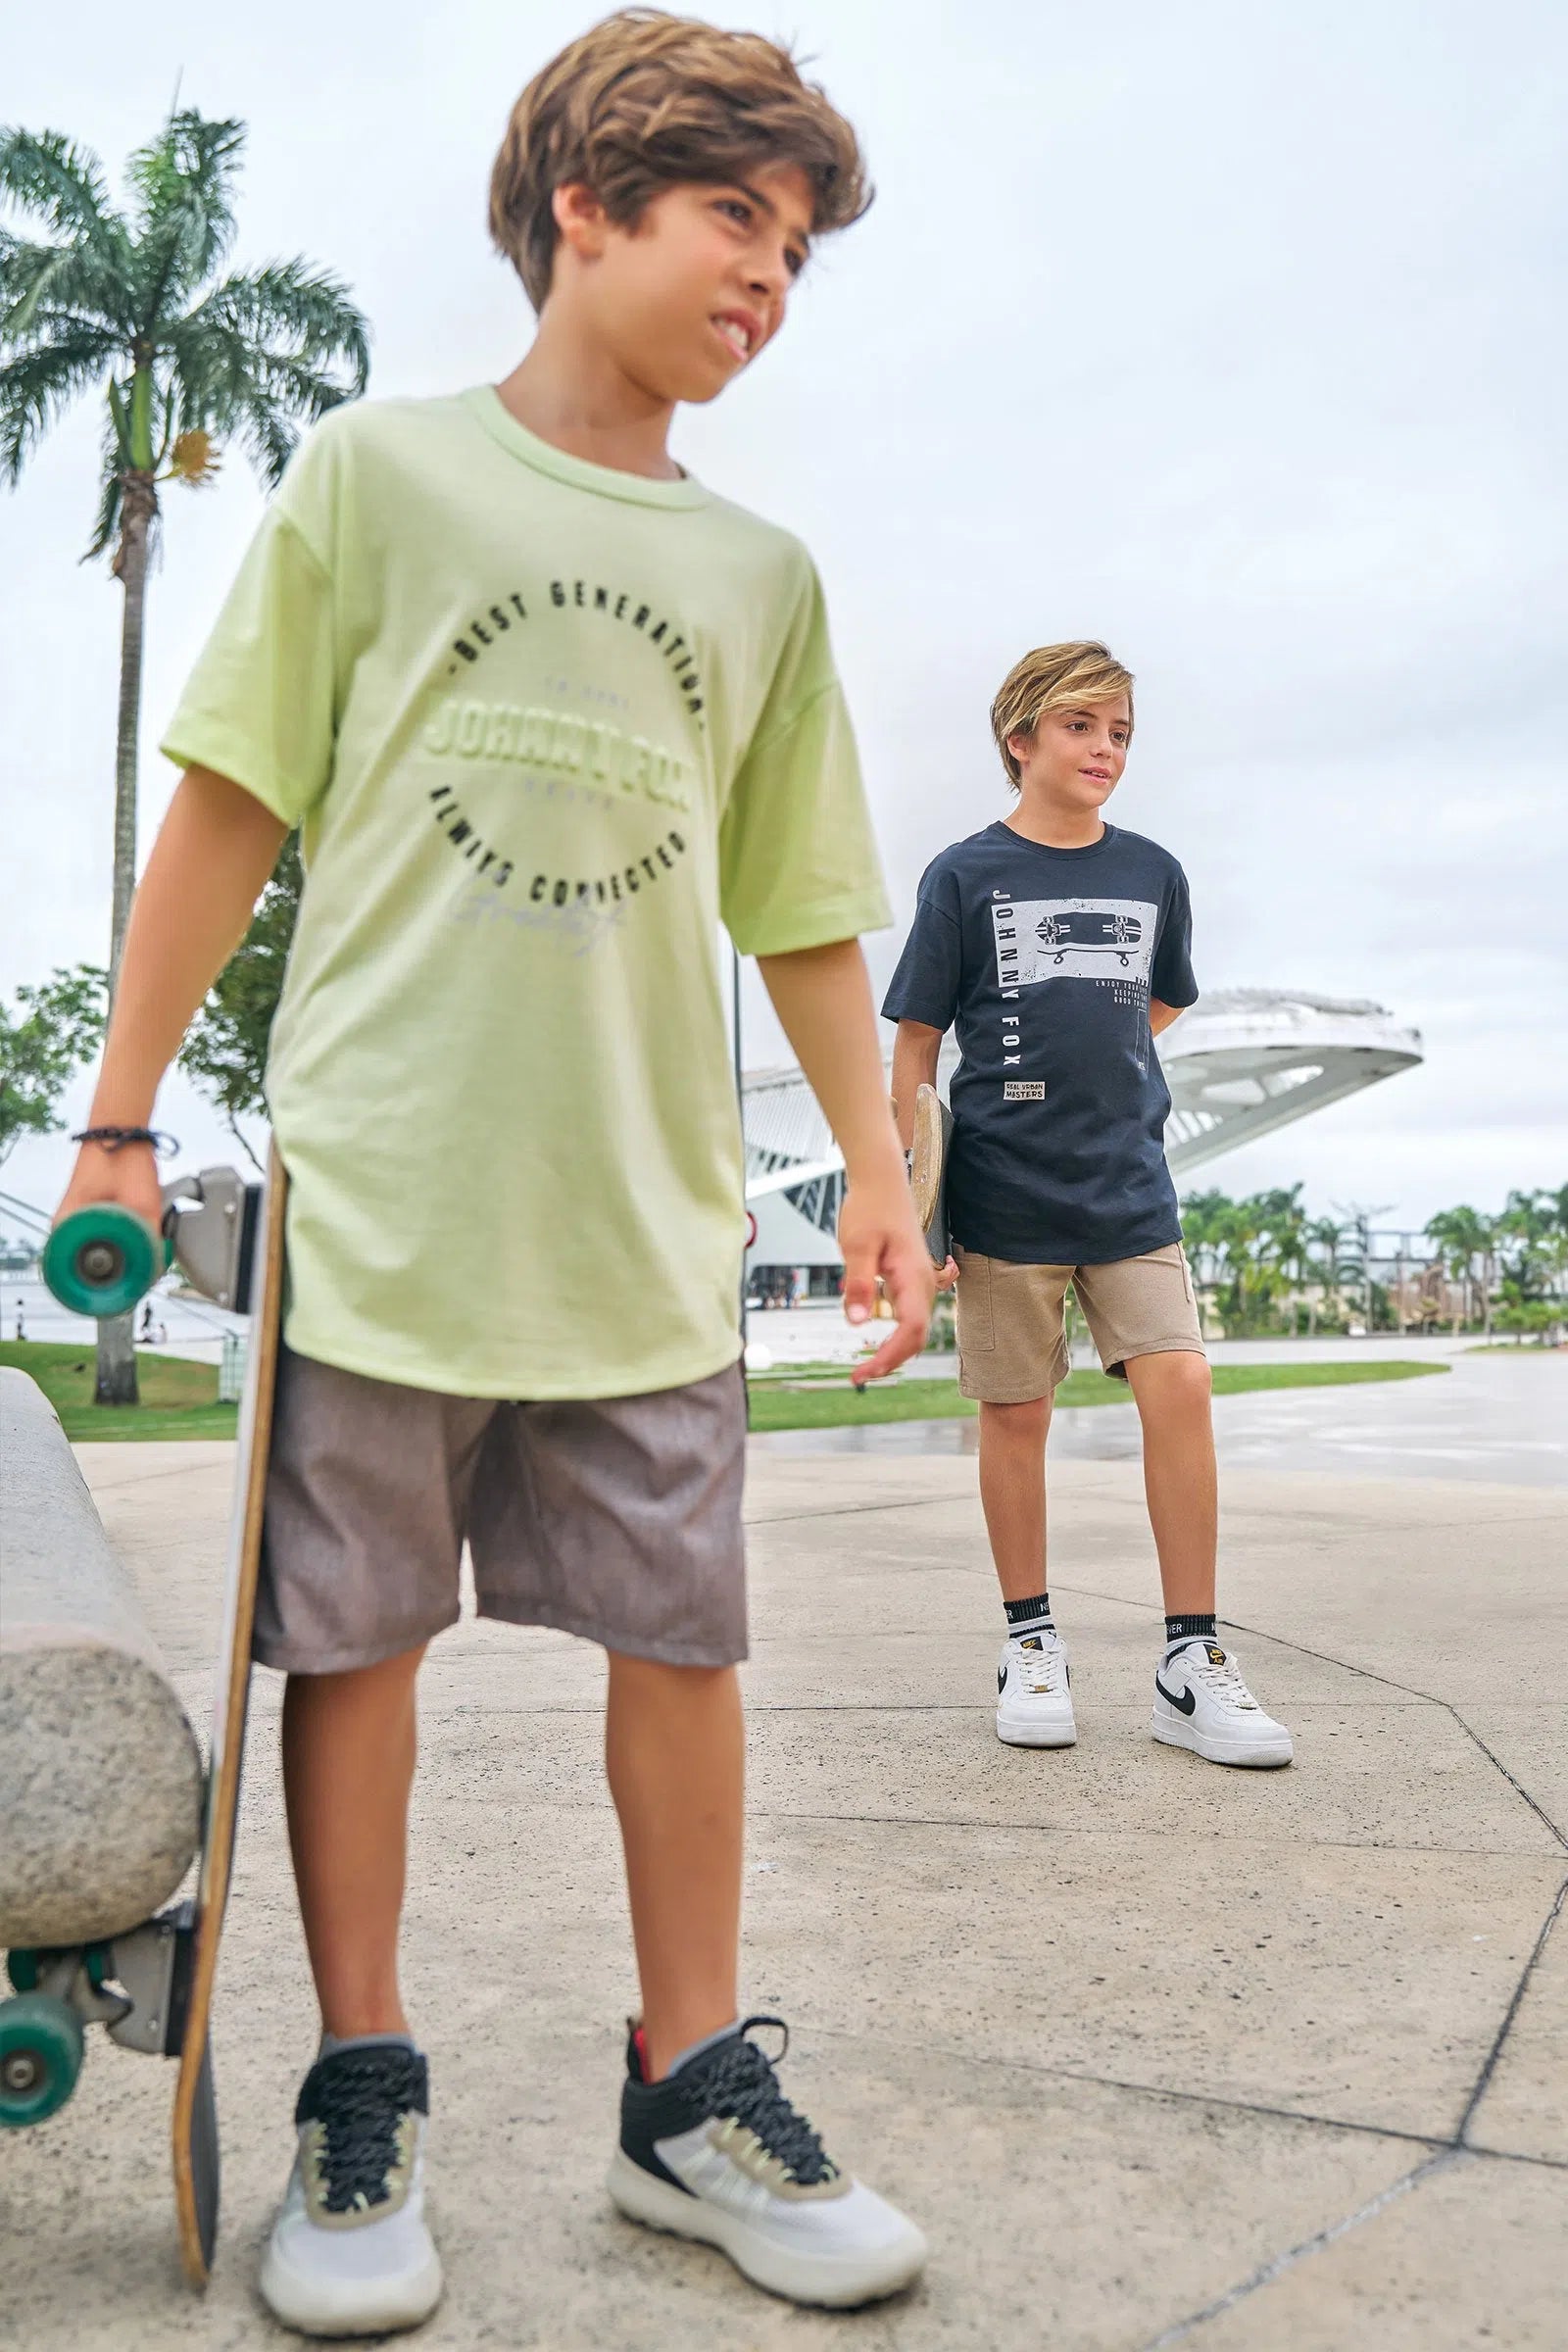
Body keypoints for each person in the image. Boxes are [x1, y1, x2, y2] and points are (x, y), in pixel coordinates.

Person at [53, 13, 933, 2332]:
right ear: (586, 209)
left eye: (796, 250)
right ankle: (366, 2080)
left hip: (638, 1211)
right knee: (351, 1648)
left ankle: (688, 2079)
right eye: (735, 220)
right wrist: (121, 1102)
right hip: (384, 1198)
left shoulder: (760, 573)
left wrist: (874, 1161)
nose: (770, 276)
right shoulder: (377, 475)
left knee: (685, 1639)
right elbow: (230, 799)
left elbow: (804, 906)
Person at [883, 641, 1293, 1772]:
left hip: (1129, 1185)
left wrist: (1097, 1061)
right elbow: (915, 1041)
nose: (1103, 749)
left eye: (1117, 731)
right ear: (1019, 740)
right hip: (1000, 1191)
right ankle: (1029, 1644)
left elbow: (1156, 1002)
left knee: (1183, 1381)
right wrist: (921, 1214)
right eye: (1078, 727)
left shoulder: (1152, 871)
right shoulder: (961, 877)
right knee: (1016, 1412)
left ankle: (1189, 1660)